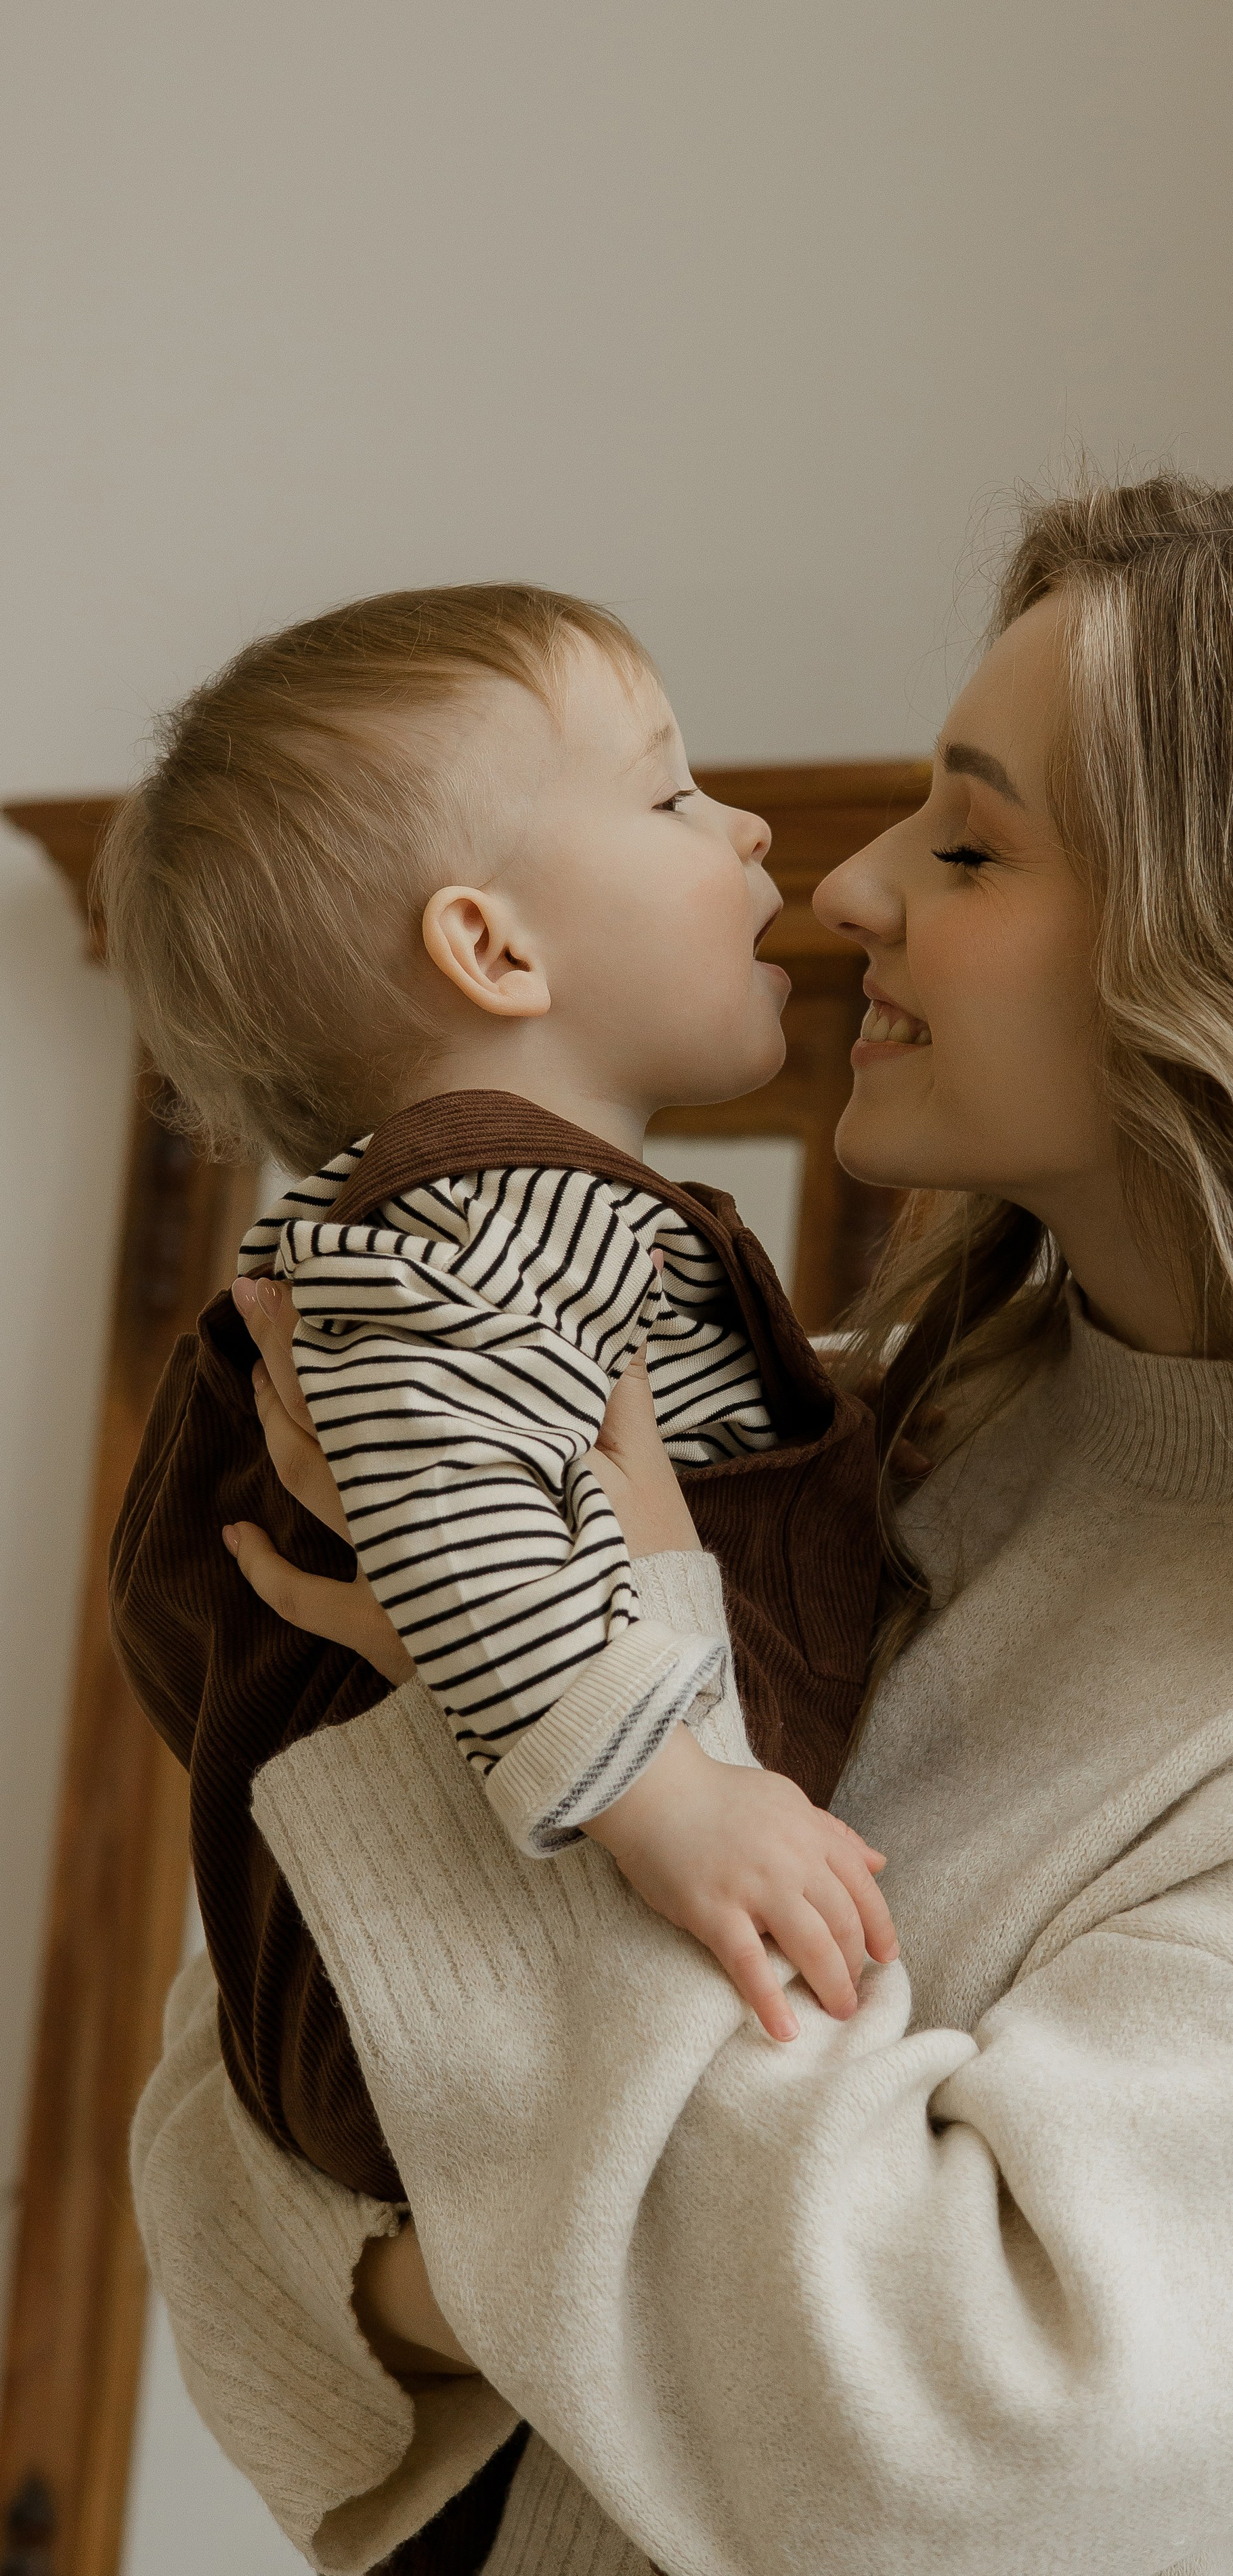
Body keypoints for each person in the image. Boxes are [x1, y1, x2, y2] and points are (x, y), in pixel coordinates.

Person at [133, 475, 1233, 2575]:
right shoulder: (806, 1455)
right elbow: (214, 2156)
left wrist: (548, 1766)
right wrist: (528, 2280)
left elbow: (907, 2456)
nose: (848, 882)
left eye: (969, 841)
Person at [98, 584, 900, 2240]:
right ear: (494, 947)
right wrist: (667, 1795)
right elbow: (456, 1517)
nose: (749, 827)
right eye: (673, 796)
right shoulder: (476, 1216)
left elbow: (648, 1440)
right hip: (432, 1993)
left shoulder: (505, 1233)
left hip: (448, 1993)